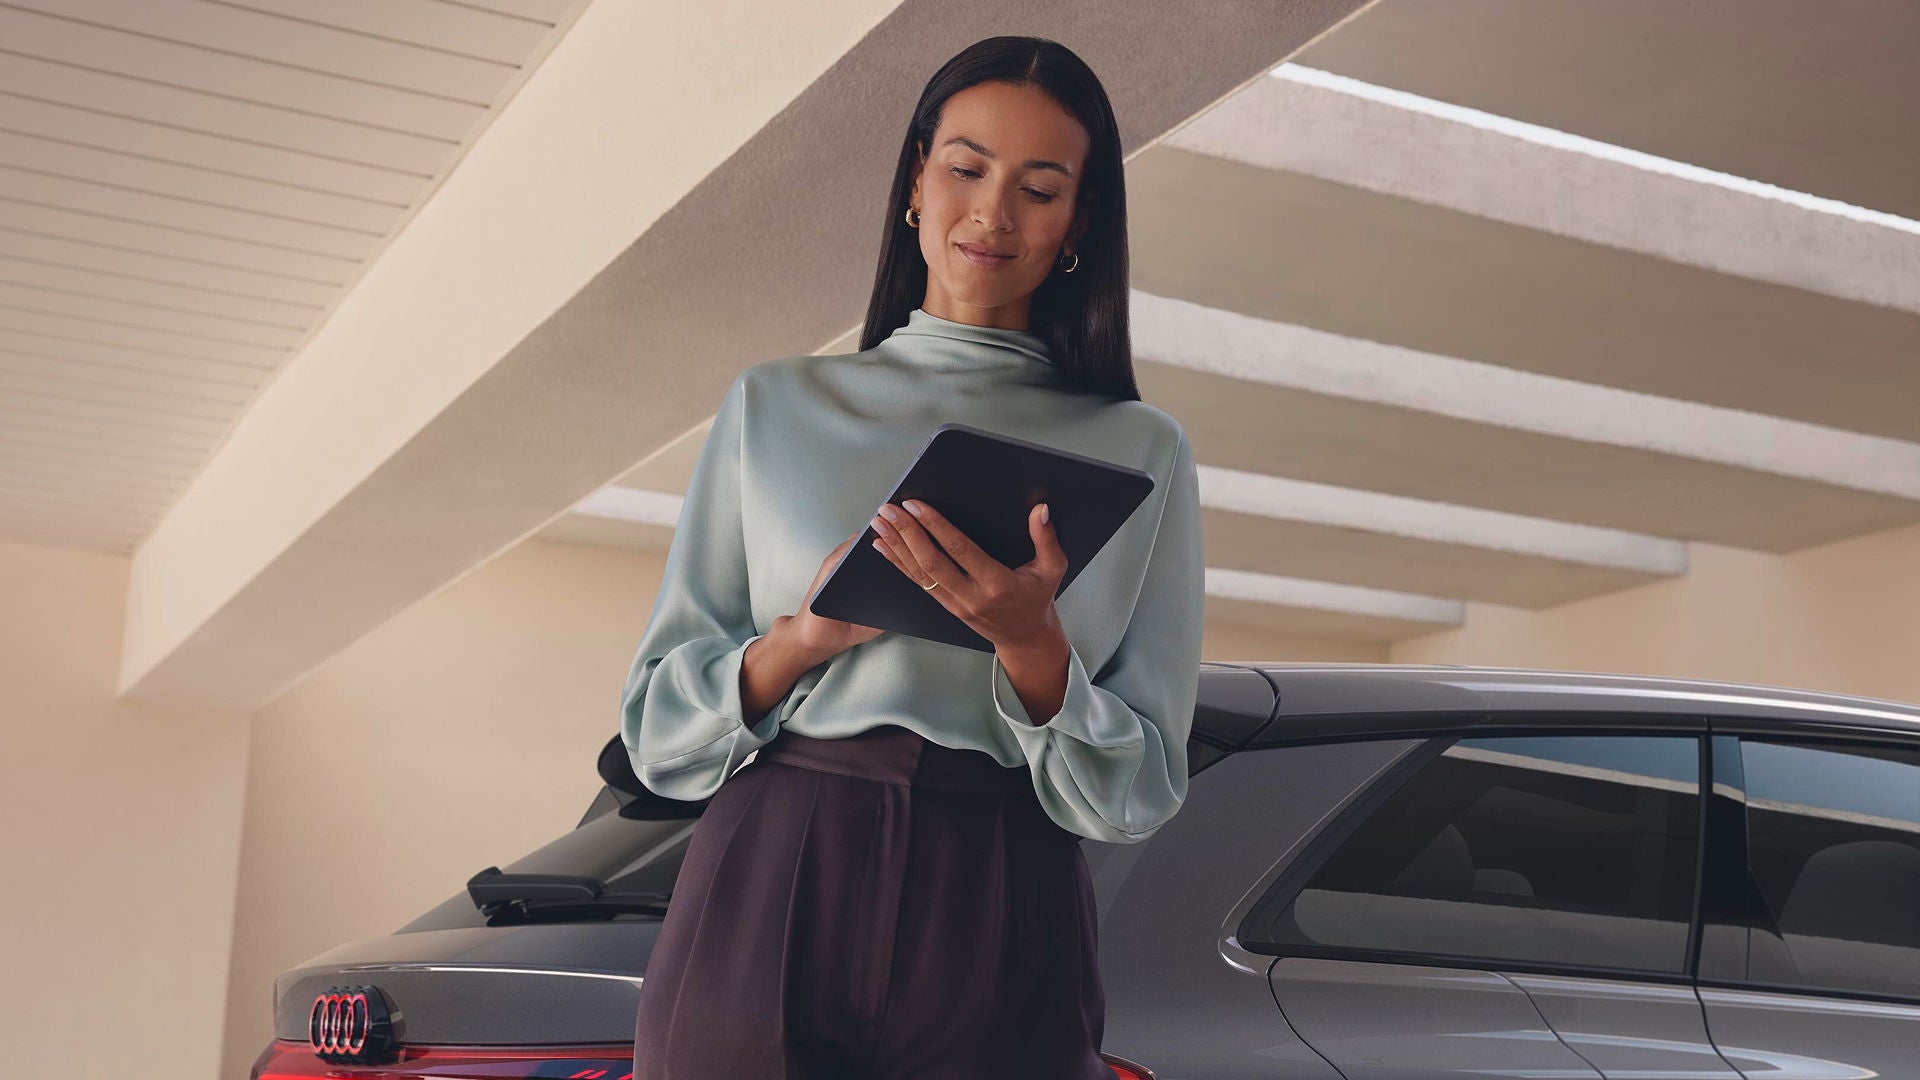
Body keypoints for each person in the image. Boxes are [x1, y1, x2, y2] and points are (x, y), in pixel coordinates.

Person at [621, 34, 1205, 1080]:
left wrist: (1034, 652)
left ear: (1079, 225)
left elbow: (1143, 787)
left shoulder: (1141, 448)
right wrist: (801, 642)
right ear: (914, 185)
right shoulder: (775, 405)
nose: (992, 215)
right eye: (966, 170)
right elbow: (660, 731)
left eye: (1040, 187)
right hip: (777, 859)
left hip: (1005, 881)